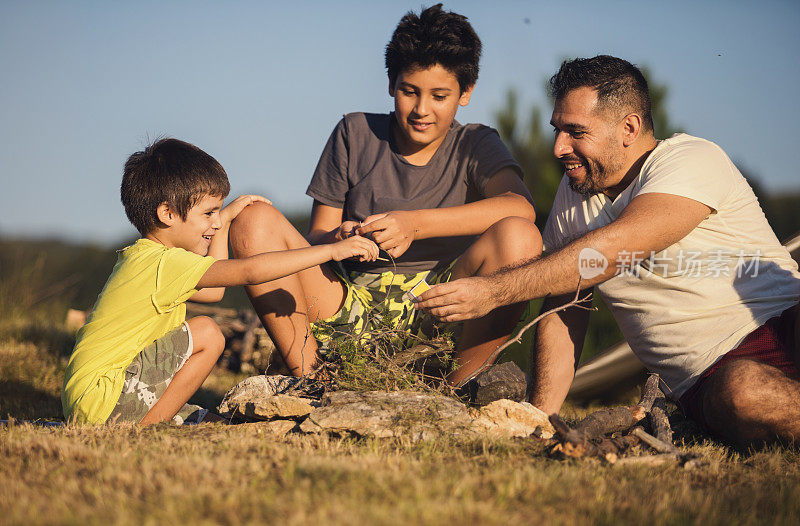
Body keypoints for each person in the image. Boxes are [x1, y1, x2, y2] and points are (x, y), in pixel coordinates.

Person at [416, 55, 800, 446]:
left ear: (629, 127)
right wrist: (540, 417)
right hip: (713, 377)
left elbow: (614, 249)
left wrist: (492, 291)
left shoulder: (690, 159)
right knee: (742, 392)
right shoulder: (573, 193)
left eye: (575, 132)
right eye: (556, 130)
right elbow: (566, 308)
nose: (558, 147)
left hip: (785, 322)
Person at [229, 4, 541, 386]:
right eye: (409, 92)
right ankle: (311, 383)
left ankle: (459, 388)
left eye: (439, 96)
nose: (421, 109)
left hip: (438, 308)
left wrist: (415, 224)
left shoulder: (476, 143)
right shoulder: (354, 132)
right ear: (391, 83)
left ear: (466, 93)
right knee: (253, 220)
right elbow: (316, 236)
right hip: (347, 302)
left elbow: (521, 208)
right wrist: (339, 239)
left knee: (521, 237)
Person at [61, 138, 378, 425]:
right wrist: (330, 251)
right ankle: (146, 430)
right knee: (208, 334)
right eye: (209, 213)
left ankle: (154, 423)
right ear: (167, 213)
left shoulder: (146, 258)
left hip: (102, 399)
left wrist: (222, 222)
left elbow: (213, 291)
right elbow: (250, 271)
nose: (215, 221)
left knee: (216, 423)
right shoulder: (164, 264)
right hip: (106, 396)